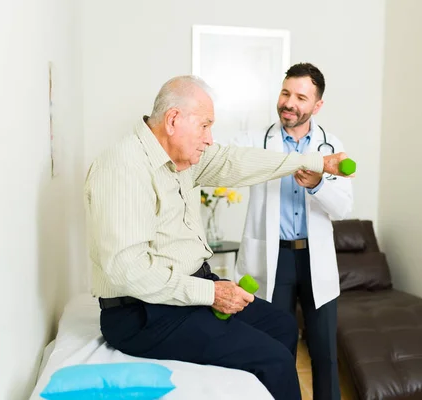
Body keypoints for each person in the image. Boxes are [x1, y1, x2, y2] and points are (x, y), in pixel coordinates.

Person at [83, 75, 353, 400]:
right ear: (173, 120)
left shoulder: (183, 160)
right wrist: (210, 293)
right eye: (205, 126)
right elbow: (128, 271)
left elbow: (235, 161)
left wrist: (316, 161)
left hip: (184, 297)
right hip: (144, 312)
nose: (210, 138)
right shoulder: (123, 168)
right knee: (275, 360)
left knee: (282, 325)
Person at [229, 63, 353, 400]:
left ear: (317, 105)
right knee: (275, 348)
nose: (289, 103)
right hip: (274, 257)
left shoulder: (332, 147)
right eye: (285, 93)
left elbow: (343, 208)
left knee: (325, 353)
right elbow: (228, 165)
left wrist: (317, 185)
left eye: (300, 97)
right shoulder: (255, 141)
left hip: (315, 257)